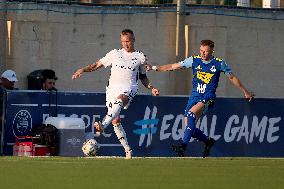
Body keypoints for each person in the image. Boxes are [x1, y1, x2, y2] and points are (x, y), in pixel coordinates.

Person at [147, 39, 254, 158]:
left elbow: (232, 77)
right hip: (194, 97)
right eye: (201, 51)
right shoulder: (194, 60)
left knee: (192, 114)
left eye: (206, 51)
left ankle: (183, 147)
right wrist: (154, 67)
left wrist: (246, 92)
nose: (203, 54)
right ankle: (208, 141)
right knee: (189, 127)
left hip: (208, 97)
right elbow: (173, 66)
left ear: (212, 51)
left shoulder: (219, 63)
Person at [72, 29, 160, 159]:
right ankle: (128, 150)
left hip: (129, 88)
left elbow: (143, 77)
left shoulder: (140, 57)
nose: (126, 44)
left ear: (133, 40)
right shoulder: (114, 54)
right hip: (111, 90)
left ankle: (102, 125)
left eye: (128, 41)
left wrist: (151, 87)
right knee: (115, 120)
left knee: (120, 100)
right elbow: (96, 65)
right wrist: (82, 70)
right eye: (123, 41)